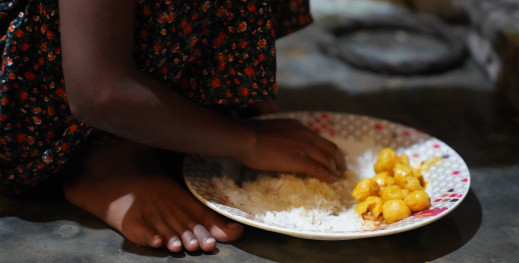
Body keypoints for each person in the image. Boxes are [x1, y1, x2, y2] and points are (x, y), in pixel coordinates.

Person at [0, 0, 345, 253]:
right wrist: (250, 142)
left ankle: (206, 102)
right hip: (30, 95)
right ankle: (109, 155)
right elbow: (98, 94)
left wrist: (247, 86)